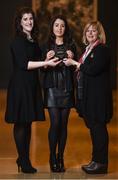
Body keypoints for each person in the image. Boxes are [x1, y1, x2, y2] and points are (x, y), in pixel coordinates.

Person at [5, 7, 60, 174]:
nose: (29, 22)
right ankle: (24, 159)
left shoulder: (32, 40)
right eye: (25, 19)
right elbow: (25, 64)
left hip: (31, 85)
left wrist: (47, 58)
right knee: (21, 123)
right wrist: (45, 63)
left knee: (27, 122)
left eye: (30, 19)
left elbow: (38, 60)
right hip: (20, 86)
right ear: (19, 23)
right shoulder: (17, 41)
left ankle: (23, 157)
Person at [63, 21, 113, 174]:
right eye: (88, 31)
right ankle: (95, 160)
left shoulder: (102, 50)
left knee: (99, 131)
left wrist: (75, 64)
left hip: (98, 99)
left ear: (99, 33)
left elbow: (93, 70)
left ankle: (101, 164)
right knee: (94, 131)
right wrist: (75, 60)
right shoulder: (88, 50)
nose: (90, 33)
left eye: (93, 31)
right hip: (89, 98)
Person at [41, 15, 77, 172]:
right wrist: (46, 60)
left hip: (66, 88)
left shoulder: (71, 45)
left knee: (63, 125)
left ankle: (61, 156)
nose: (59, 28)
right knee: (55, 124)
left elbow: (76, 68)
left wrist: (72, 58)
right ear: (52, 27)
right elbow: (42, 69)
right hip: (52, 88)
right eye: (57, 25)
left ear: (65, 28)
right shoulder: (46, 45)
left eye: (62, 25)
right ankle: (52, 157)